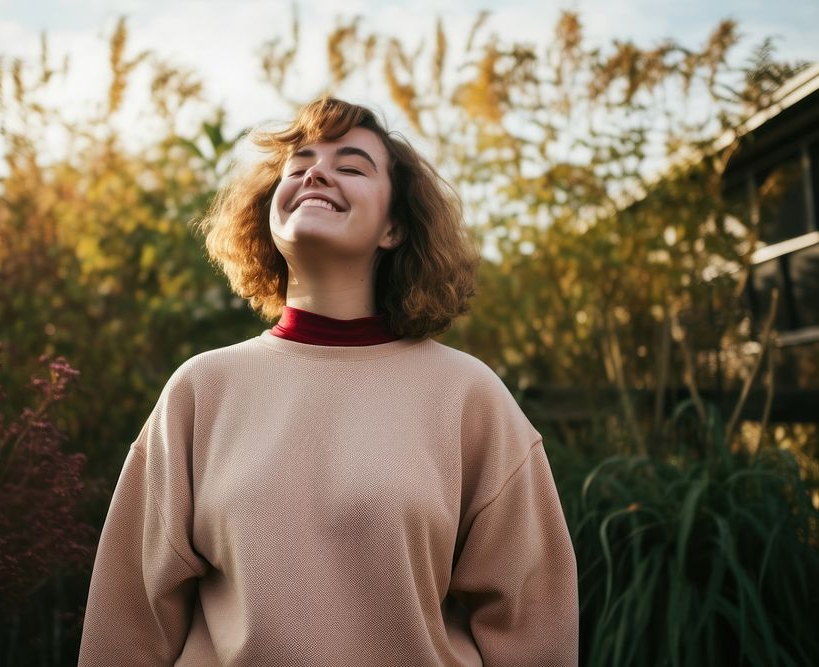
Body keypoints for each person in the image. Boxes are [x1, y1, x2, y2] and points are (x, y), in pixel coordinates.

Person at [78, 97, 578, 666]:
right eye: (299, 165)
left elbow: (532, 621)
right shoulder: (200, 390)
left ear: (393, 227)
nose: (315, 171)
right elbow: (129, 618)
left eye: (351, 165)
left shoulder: (468, 395)